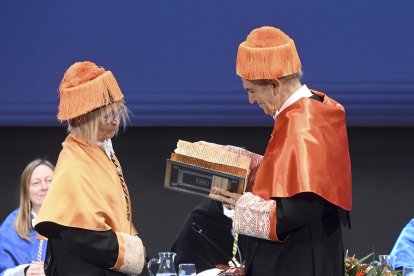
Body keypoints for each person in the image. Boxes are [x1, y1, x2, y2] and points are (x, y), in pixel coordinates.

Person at [208, 26, 352, 275]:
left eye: (251, 91)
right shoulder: (311, 110)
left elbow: (303, 207)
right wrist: (234, 158)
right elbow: (288, 175)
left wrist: (244, 205)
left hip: (299, 259)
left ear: (274, 84)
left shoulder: (303, 123)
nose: (251, 100)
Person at [34, 61, 146, 275]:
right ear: (84, 119)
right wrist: (130, 253)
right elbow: (81, 234)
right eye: (106, 116)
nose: (115, 121)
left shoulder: (101, 152)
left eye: (117, 112)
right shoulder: (74, 164)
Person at [0, 159, 54, 276]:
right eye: (36, 183)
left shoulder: (72, 221)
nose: (44, 187)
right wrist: (24, 271)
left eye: (49, 180)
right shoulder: (12, 224)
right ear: (26, 190)